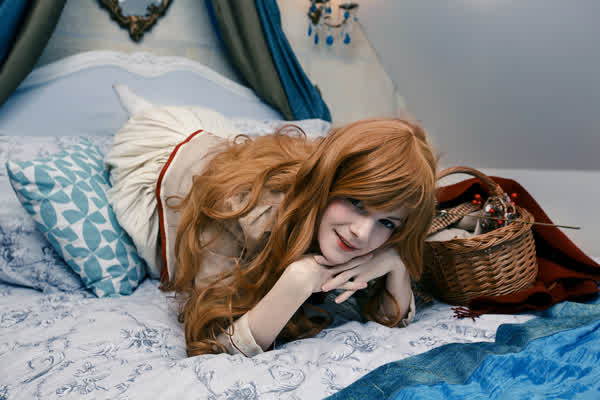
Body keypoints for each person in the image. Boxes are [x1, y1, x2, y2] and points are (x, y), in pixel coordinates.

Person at [105, 111, 437, 358]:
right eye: (356, 202)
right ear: (327, 183)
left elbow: (389, 318)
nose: (362, 233)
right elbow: (212, 346)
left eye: (387, 222)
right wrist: (297, 281)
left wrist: (395, 264)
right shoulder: (243, 212)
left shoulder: (367, 233)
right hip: (162, 157)